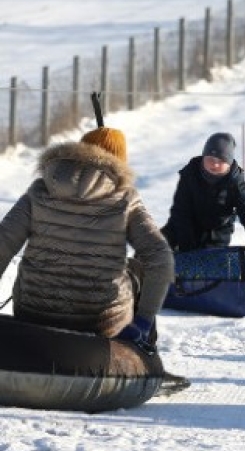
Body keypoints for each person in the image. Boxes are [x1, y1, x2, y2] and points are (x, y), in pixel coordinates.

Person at [0, 127, 174, 355]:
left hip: (33, 312)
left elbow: (3, 242)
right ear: (120, 162)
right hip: (101, 322)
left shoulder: (40, 190)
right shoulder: (126, 199)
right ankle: (142, 351)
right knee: (137, 270)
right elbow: (160, 258)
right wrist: (143, 319)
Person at [161, 132, 245, 254]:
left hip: (215, 233)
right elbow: (180, 211)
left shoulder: (234, 181)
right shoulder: (190, 174)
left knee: (208, 261)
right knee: (156, 244)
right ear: (203, 157)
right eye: (210, 159)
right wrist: (187, 245)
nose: (214, 164)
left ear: (229, 163)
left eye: (221, 160)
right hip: (182, 227)